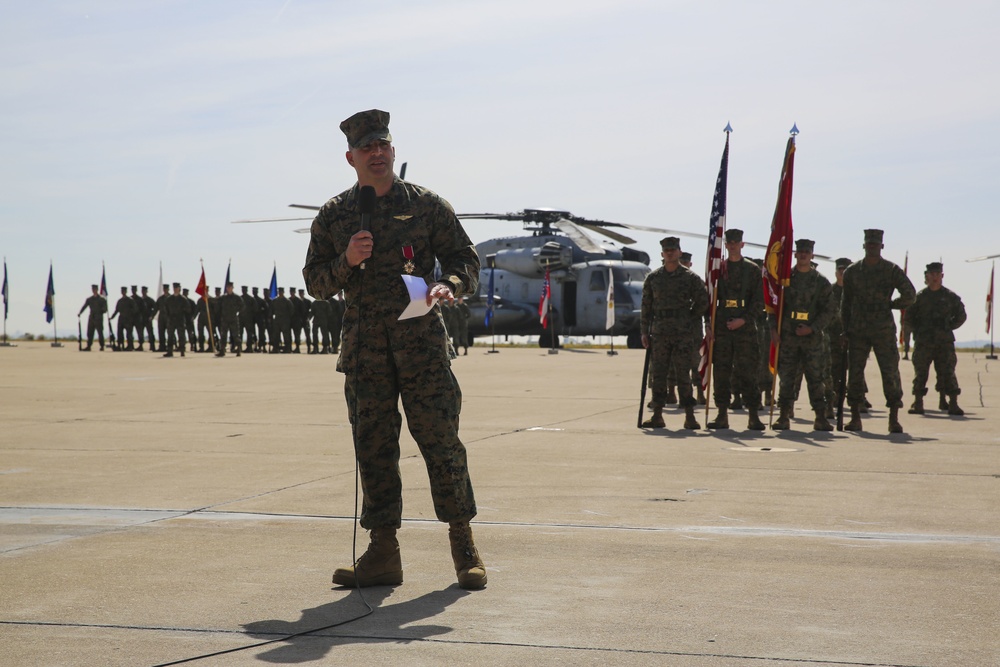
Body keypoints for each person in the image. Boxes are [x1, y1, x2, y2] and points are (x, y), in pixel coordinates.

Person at [302, 109, 485, 590]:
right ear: (351, 158)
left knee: (442, 445)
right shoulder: (336, 215)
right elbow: (315, 283)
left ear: (393, 150)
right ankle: (384, 552)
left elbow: (466, 259)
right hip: (365, 354)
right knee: (375, 451)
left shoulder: (427, 206)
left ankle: (463, 544)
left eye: (383, 145)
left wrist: (449, 284)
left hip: (422, 347)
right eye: (367, 148)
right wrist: (346, 260)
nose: (377, 154)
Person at [840, 229, 916, 433]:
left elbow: (910, 294)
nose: (872, 247)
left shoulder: (891, 270)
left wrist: (892, 304)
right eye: (869, 244)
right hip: (858, 329)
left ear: (881, 247)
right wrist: (844, 331)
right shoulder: (852, 272)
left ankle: (893, 418)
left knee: (890, 372)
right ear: (864, 246)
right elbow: (845, 304)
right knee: (855, 374)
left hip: (883, 329)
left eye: (875, 244)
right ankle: (855, 416)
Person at [640, 236, 709, 429]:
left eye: (673, 249)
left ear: (679, 252)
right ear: (662, 254)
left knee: (683, 375)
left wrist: (689, 317)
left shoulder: (690, 277)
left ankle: (689, 416)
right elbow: (646, 306)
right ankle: (658, 415)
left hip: (682, 334)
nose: (670, 252)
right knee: (659, 374)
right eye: (667, 250)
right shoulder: (653, 278)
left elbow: (703, 301)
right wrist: (644, 332)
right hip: (660, 333)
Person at [770, 240, 836, 431]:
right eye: (800, 252)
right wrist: (774, 329)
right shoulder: (785, 280)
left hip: (812, 339)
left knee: (816, 377)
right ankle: (783, 415)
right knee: (787, 378)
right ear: (795, 254)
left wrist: (813, 328)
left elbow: (830, 310)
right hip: (788, 337)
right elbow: (774, 307)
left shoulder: (821, 282)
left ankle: (820, 417)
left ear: (812, 255)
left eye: (807, 252)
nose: (804, 255)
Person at [705, 229, 765, 430]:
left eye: (735, 242)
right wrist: (709, 324)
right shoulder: (718, 269)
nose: (732, 245)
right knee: (721, 371)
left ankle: (754, 415)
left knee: (748, 371)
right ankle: (722, 414)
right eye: (729, 242)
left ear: (742, 244)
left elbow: (759, 302)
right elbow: (710, 299)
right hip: (722, 327)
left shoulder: (752, 270)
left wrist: (744, 320)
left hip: (745, 329)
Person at [905, 262, 967, 416]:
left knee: (948, 372)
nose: (935, 277)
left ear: (942, 276)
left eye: (937, 274)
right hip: (924, 342)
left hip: (944, 342)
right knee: (921, 372)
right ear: (927, 276)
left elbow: (961, 315)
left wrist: (948, 327)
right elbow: (909, 318)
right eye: (932, 274)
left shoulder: (950, 297)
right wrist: (918, 332)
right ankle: (918, 402)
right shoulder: (919, 298)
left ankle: (953, 402)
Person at [216, 282, 243, 357]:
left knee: (235, 335)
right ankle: (222, 350)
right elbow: (216, 300)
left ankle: (238, 350)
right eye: (227, 288)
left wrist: (237, 311)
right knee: (223, 335)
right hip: (225, 319)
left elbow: (242, 306)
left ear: (232, 288)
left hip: (233, 319)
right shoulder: (224, 297)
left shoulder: (237, 297)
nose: (228, 289)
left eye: (230, 287)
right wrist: (208, 297)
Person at [78, 284, 107, 351]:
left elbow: (105, 309)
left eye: (95, 289)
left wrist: (101, 311)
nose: (94, 290)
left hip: (99, 318)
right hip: (91, 318)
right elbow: (84, 306)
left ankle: (102, 346)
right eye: (93, 289)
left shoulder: (102, 299)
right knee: (90, 333)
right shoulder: (89, 299)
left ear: (97, 289)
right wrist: (80, 313)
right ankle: (88, 346)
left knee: (100, 333)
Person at [163, 282, 188, 357]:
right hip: (171, 320)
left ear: (179, 289)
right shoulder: (169, 299)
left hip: (180, 320)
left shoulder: (183, 299)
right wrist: (169, 317)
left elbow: (188, 309)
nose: (175, 289)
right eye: (174, 288)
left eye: (177, 288)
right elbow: (166, 309)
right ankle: (170, 352)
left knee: (181, 336)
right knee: (170, 336)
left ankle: (182, 351)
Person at [110, 286, 136, 351]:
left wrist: (130, 315)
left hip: (128, 319)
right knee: (119, 333)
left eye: (124, 291)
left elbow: (135, 309)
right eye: (122, 291)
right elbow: (116, 310)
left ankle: (130, 346)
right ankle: (120, 345)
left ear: (126, 291)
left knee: (129, 334)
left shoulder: (130, 300)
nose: (123, 292)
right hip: (121, 319)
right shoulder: (120, 301)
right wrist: (112, 317)